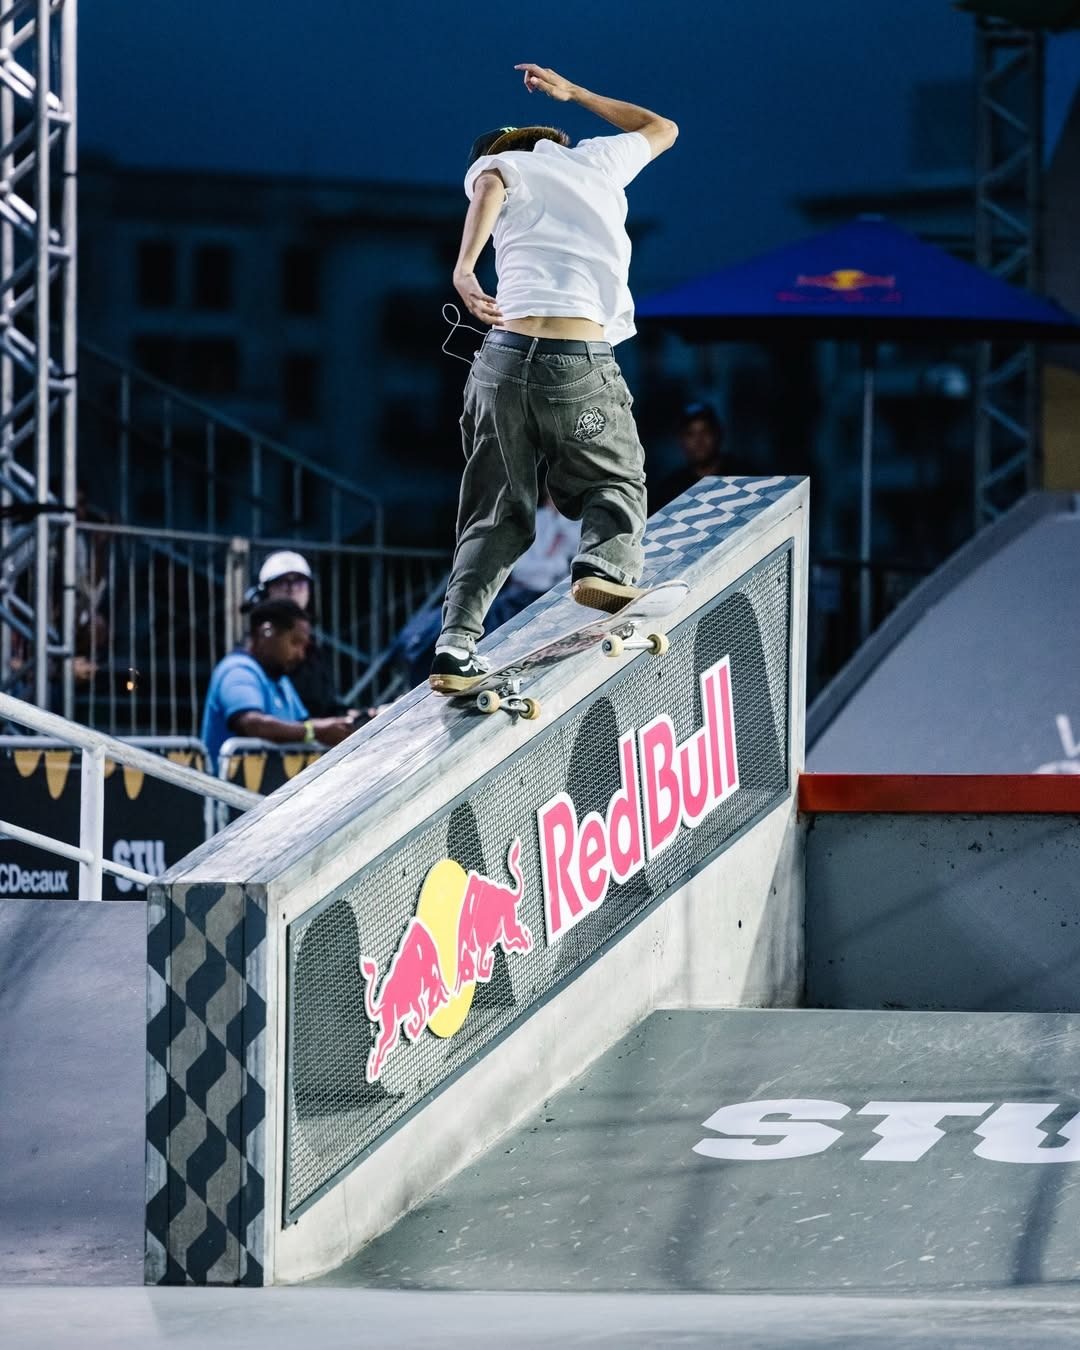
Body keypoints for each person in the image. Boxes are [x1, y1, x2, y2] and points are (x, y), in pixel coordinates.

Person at [429, 62, 678, 694]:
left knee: (494, 509)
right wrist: (578, 93)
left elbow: (488, 183)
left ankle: (456, 645)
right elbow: (663, 127)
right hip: (577, 362)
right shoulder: (596, 160)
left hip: (500, 360)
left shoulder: (498, 166)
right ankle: (604, 563)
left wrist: (464, 270)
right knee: (616, 476)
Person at [201, 598, 356, 769]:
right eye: (295, 643)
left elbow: (299, 724)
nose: (300, 655)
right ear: (267, 632)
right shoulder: (237, 670)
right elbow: (253, 725)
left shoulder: (281, 681)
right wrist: (315, 731)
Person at [246, 550, 353, 718]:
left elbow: (327, 710)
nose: (292, 590)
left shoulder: (314, 653)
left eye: (300, 582)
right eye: (282, 582)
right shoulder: (254, 663)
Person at [652, 402, 731, 510]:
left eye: (705, 432)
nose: (699, 441)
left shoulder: (744, 476)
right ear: (681, 441)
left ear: (718, 435)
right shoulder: (670, 490)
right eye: (690, 434)